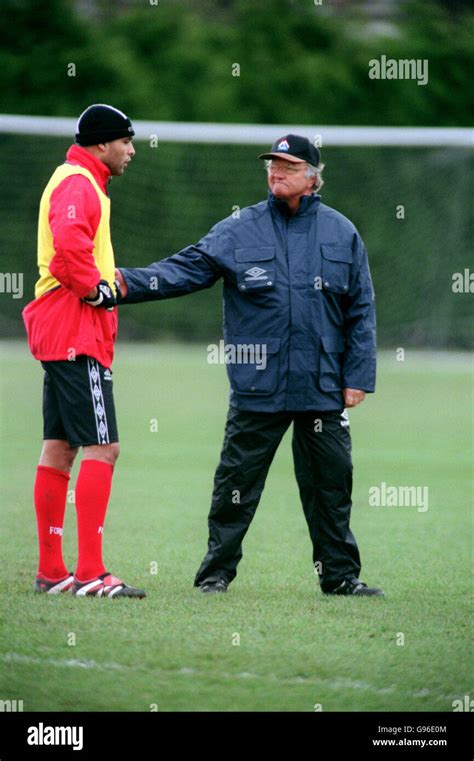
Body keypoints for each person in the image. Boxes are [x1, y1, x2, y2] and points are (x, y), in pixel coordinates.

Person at [115, 133, 383, 597]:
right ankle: (215, 574)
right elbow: (187, 268)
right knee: (236, 487)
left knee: (331, 488)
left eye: (288, 166)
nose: (276, 172)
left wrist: (357, 377)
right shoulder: (240, 227)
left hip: (322, 384)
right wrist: (124, 283)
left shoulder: (342, 231)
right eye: (271, 165)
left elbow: (361, 310)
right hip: (259, 383)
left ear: (313, 178)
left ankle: (339, 577)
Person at [23, 104, 146, 598]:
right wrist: (97, 290)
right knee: (104, 447)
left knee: (59, 447)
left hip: (60, 330)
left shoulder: (79, 178)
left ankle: (52, 572)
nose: (133, 151)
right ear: (102, 144)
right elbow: (67, 250)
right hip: (76, 329)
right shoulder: (78, 181)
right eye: (126, 141)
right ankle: (92, 574)